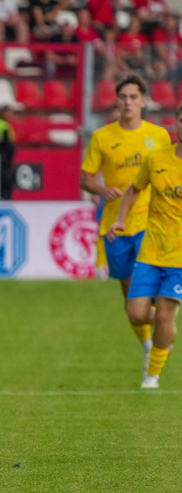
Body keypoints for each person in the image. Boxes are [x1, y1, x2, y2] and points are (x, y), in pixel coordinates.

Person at [80, 74, 172, 374]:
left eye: (134, 97)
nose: (128, 102)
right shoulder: (102, 137)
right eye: (123, 97)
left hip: (152, 223)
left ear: (143, 101)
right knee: (132, 301)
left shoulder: (159, 135)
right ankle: (149, 345)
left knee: (152, 292)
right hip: (116, 228)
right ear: (117, 102)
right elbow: (86, 179)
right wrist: (101, 189)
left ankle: (164, 324)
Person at [109, 101, 182, 389]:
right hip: (151, 251)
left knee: (163, 313)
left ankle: (152, 376)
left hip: (179, 258)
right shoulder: (156, 158)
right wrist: (120, 219)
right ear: (176, 123)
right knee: (137, 314)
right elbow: (133, 189)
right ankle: (166, 329)